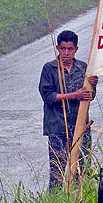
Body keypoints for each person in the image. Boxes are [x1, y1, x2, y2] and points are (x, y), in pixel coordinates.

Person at [39, 30, 98, 189]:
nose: (66, 53)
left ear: (76, 49)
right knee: (57, 173)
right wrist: (74, 95)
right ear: (58, 48)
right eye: (63, 48)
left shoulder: (82, 68)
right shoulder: (49, 69)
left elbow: (89, 96)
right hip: (57, 128)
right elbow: (48, 96)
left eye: (70, 49)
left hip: (80, 128)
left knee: (83, 171)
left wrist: (92, 84)